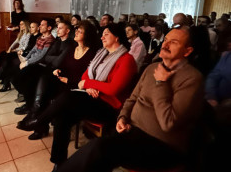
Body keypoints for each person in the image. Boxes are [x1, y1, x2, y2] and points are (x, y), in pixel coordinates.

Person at [55, 26, 204, 172]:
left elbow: (168, 123)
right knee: (93, 150)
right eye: (165, 40)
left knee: (99, 149)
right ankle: (58, 163)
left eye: (174, 42)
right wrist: (123, 117)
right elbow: (132, 99)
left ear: (187, 51)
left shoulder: (192, 78)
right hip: (132, 131)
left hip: (161, 144)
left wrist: (161, 83)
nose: (165, 44)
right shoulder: (152, 68)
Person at [16, 23, 137, 172]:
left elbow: (113, 89)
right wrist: (89, 85)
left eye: (106, 34)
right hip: (92, 98)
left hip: (110, 107)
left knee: (68, 96)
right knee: (62, 116)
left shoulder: (127, 59)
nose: (102, 37)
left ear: (117, 37)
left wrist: (89, 83)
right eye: (102, 34)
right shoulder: (102, 53)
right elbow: (86, 74)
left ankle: (39, 120)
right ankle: (58, 162)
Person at [19, 20, 100, 140]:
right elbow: (60, 63)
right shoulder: (73, 48)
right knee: (44, 78)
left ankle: (36, 120)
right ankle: (35, 116)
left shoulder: (91, 53)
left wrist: (68, 80)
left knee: (45, 85)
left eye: (80, 31)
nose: (76, 32)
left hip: (74, 85)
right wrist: (58, 70)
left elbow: (87, 77)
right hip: (62, 80)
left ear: (87, 35)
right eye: (76, 30)